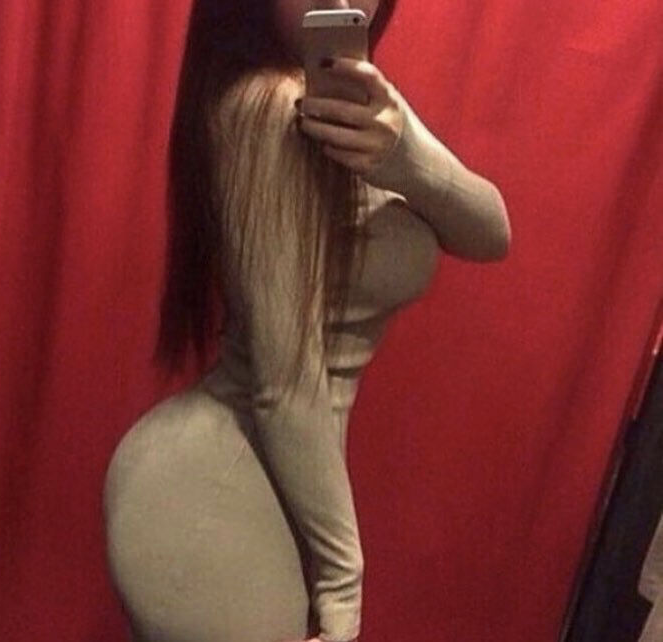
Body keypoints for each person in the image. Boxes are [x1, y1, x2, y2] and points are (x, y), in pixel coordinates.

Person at [102, 1, 511, 641]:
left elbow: (491, 232)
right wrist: (344, 587)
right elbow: (284, 385)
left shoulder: (361, 109)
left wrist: (405, 156)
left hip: (270, 485)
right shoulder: (267, 108)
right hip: (209, 490)